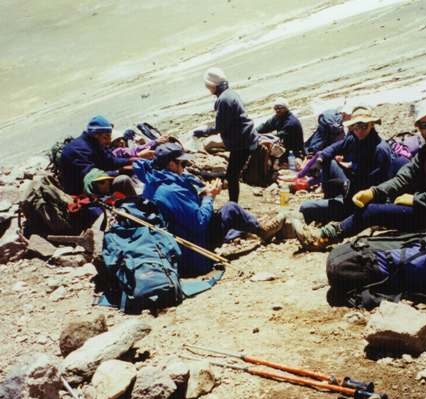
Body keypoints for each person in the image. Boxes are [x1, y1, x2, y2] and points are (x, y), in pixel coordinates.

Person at [294, 98, 426, 250]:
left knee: (371, 212)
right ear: (418, 127)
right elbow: (404, 177)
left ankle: (323, 237)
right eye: (424, 125)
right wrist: (375, 192)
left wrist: (415, 200)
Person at [134, 143, 285, 277]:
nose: (185, 166)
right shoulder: (172, 190)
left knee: (221, 214)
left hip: (177, 247)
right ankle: (262, 230)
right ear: (171, 165)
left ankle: (248, 227)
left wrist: (201, 195)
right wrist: (209, 197)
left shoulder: (152, 182)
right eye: (183, 163)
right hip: (194, 252)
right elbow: (199, 223)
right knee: (230, 209)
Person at [298, 106, 393, 225]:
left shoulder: (379, 149)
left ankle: (335, 208)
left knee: (305, 207)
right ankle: (330, 199)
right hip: (352, 185)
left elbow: (370, 184)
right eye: (356, 127)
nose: (360, 130)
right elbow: (334, 148)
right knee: (328, 160)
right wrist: (319, 161)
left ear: (372, 125)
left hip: (362, 200)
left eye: (364, 126)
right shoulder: (355, 139)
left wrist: (345, 182)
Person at [193, 67, 259, 203]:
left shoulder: (223, 100)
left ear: (213, 85)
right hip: (245, 138)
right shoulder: (230, 94)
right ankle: (233, 202)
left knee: (232, 176)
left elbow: (219, 127)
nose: (207, 89)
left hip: (242, 142)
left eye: (207, 86)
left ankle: (233, 204)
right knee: (232, 173)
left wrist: (203, 132)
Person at [60, 115, 134, 196]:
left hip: (96, 182)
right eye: (106, 137)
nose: (109, 141)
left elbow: (109, 161)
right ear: (96, 135)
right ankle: (138, 204)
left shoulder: (94, 143)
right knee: (123, 180)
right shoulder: (78, 149)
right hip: (81, 191)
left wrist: (129, 161)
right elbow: (92, 177)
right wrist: (118, 171)